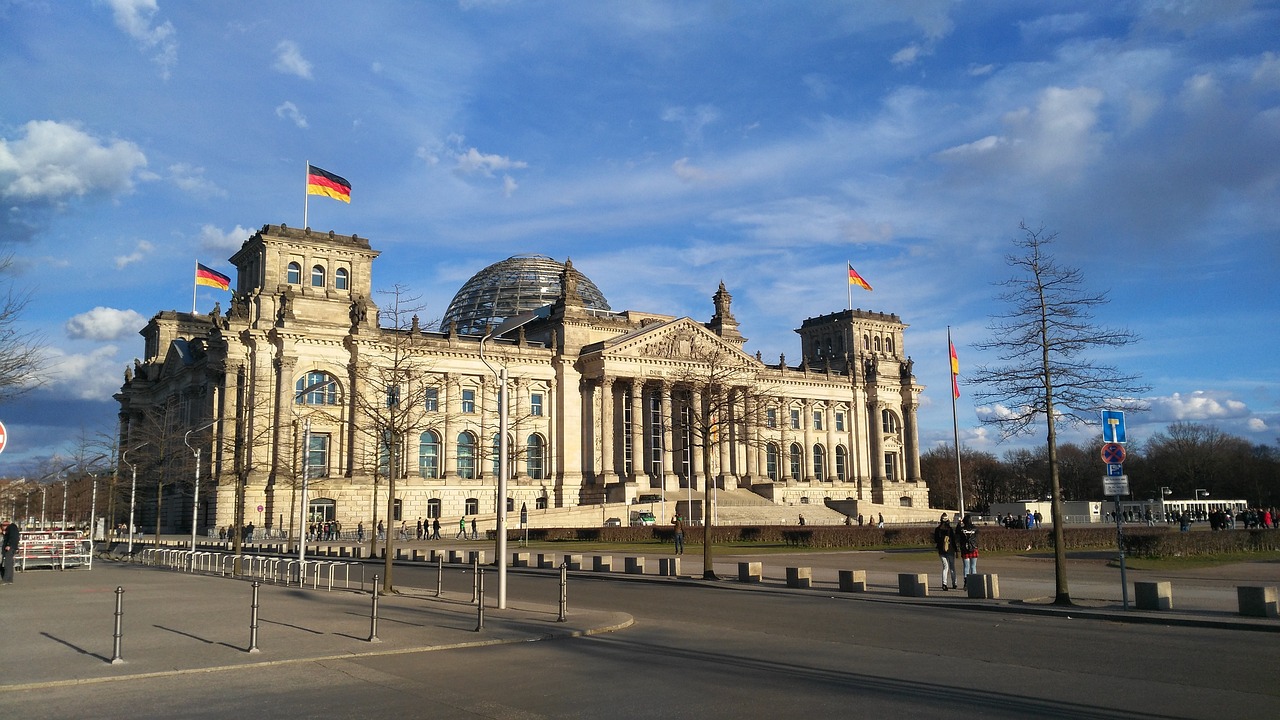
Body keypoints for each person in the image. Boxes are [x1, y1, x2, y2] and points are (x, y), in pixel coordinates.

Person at [933, 514, 956, 590]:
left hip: (941, 550)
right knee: (952, 567)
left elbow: (936, 540)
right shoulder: (949, 529)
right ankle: (954, 583)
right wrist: (956, 550)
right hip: (950, 549)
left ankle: (944, 583)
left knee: (945, 567)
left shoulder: (938, 529)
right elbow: (953, 540)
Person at [958, 514, 979, 587]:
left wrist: (959, 524)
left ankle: (966, 582)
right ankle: (975, 582)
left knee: (966, 567)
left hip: (965, 549)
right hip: (973, 548)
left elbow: (957, 533)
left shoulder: (962, 529)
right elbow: (977, 536)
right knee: (973, 566)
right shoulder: (975, 528)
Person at [1, 518, 20, 584]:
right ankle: (9, 579)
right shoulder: (13, 528)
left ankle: (6, 579)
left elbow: (13, 537)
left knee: (7, 563)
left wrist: (9, 545)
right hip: (12, 547)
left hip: (10, 548)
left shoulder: (11, 528)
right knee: (9, 563)